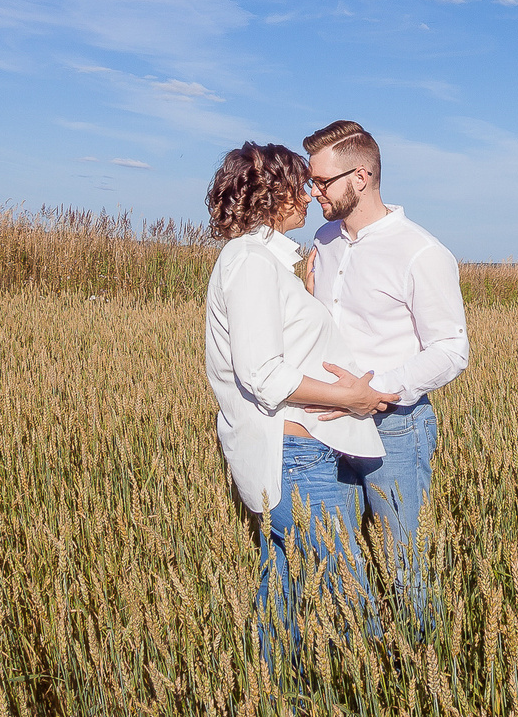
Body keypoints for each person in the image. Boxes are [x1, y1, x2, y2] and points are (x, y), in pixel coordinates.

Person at [201, 141, 398, 677]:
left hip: (292, 453)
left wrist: (306, 299)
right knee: (350, 591)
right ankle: (378, 687)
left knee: (282, 582)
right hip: (295, 457)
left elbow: (281, 345)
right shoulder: (249, 264)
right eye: (302, 185)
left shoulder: (264, 263)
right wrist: (354, 397)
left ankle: (274, 691)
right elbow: (264, 374)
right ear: (276, 194)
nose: (312, 196)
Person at [302, 119, 469, 632]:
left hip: (393, 427)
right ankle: (364, 663)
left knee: (401, 563)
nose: (312, 193)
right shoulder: (324, 240)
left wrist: (375, 391)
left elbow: (452, 349)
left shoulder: (421, 251)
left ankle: (424, 668)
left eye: (321, 182)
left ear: (361, 177)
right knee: (339, 558)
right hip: (327, 424)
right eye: (311, 181)